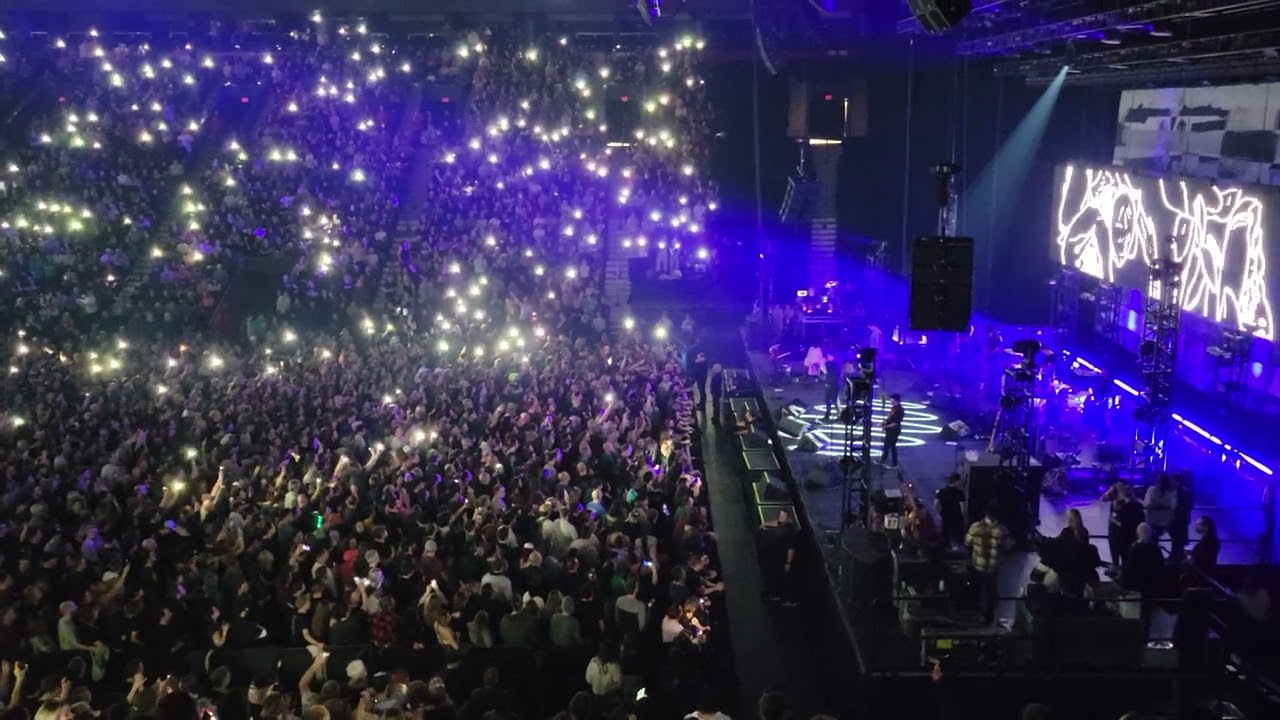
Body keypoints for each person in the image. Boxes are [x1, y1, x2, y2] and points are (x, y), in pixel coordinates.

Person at [964, 501, 1009, 623]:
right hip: (993, 568)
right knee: (991, 591)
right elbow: (1006, 546)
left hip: (977, 565)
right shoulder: (1002, 531)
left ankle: (974, 614)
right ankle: (988, 616)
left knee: (976, 589)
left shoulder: (975, 527)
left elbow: (967, 542)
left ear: (985, 513)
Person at [1102, 479, 1144, 573]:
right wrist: (1111, 490)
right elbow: (1103, 498)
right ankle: (1115, 565)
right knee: (1114, 548)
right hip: (1114, 531)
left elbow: (1129, 505)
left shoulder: (1132, 503)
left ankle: (1126, 571)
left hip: (1126, 534)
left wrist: (1122, 493)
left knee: (1125, 553)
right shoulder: (1114, 499)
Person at [762, 509, 799, 607]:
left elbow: (791, 548)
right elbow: (776, 523)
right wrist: (765, 523)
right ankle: (776, 595)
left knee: (786, 580)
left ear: (788, 519)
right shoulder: (781, 524)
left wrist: (788, 562)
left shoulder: (790, 531)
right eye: (780, 516)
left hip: (784, 559)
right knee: (777, 577)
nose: (780, 518)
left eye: (783, 517)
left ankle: (789, 600)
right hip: (778, 558)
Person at [935, 473, 967, 549]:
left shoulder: (942, 492)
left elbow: (935, 504)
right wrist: (963, 516)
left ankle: (945, 551)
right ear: (956, 481)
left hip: (945, 517)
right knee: (957, 537)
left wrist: (940, 513)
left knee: (945, 536)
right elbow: (962, 507)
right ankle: (956, 551)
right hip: (956, 517)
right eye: (959, 481)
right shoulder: (959, 493)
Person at [1143, 472, 1178, 541]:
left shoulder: (1151, 490)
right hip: (1165, 522)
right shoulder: (1171, 493)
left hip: (1151, 522)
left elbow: (1147, 504)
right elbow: (1173, 506)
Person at [879, 393, 905, 468]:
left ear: (896, 400)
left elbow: (895, 423)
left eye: (892, 400)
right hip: (890, 430)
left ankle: (893, 463)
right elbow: (890, 418)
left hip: (894, 431)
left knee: (891, 446)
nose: (891, 401)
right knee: (888, 446)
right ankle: (885, 460)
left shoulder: (899, 410)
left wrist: (885, 426)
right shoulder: (894, 408)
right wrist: (884, 423)